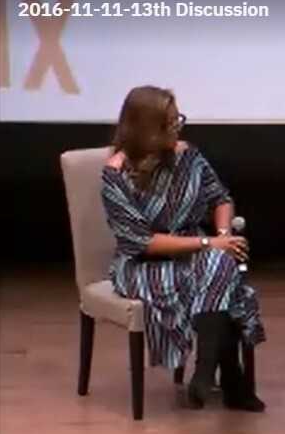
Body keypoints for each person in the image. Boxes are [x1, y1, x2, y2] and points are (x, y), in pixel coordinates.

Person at [101, 85, 267, 412]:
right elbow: (141, 241)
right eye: (170, 121)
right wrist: (210, 242)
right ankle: (231, 377)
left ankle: (205, 369)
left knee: (220, 263)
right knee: (221, 272)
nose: (178, 126)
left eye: (179, 118)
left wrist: (222, 236)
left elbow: (220, 198)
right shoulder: (116, 175)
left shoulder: (187, 155)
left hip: (194, 251)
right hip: (143, 264)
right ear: (146, 128)